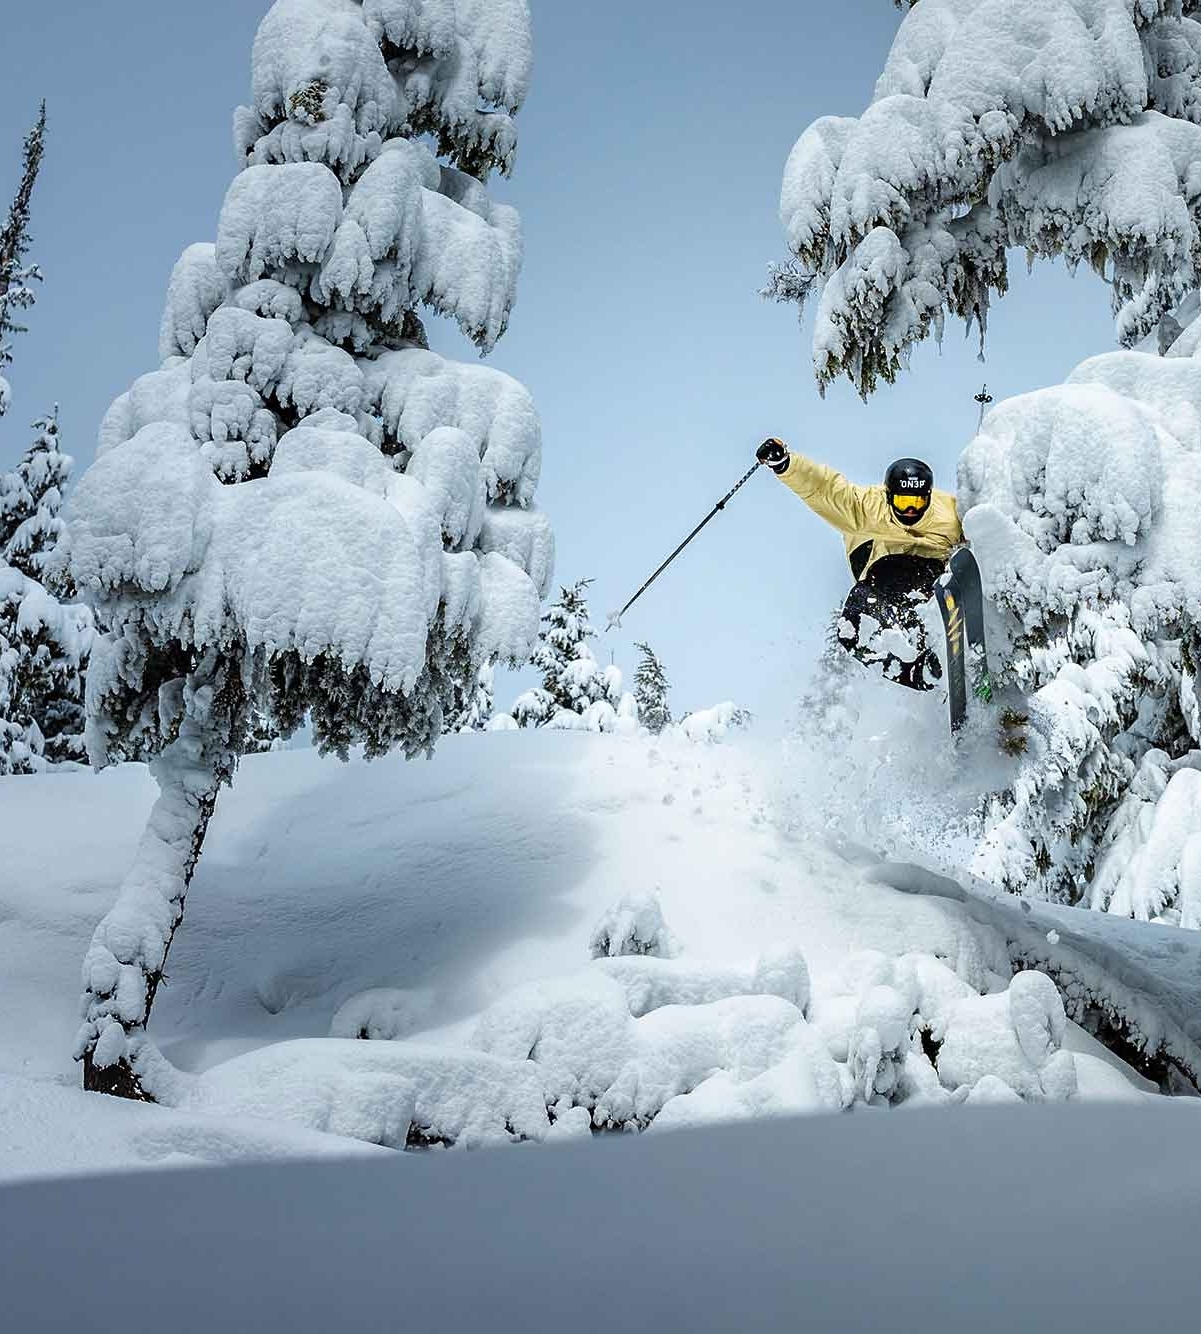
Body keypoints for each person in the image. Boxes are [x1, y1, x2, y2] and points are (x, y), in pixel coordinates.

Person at [755, 438, 963, 691]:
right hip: (883, 585)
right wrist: (786, 464)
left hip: (932, 575)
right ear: (889, 497)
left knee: (902, 573)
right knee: (852, 629)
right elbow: (824, 488)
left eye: (918, 502)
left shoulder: (950, 513)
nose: (910, 510)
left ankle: (936, 627)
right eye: (902, 502)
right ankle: (921, 671)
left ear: (928, 496)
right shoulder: (866, 507)